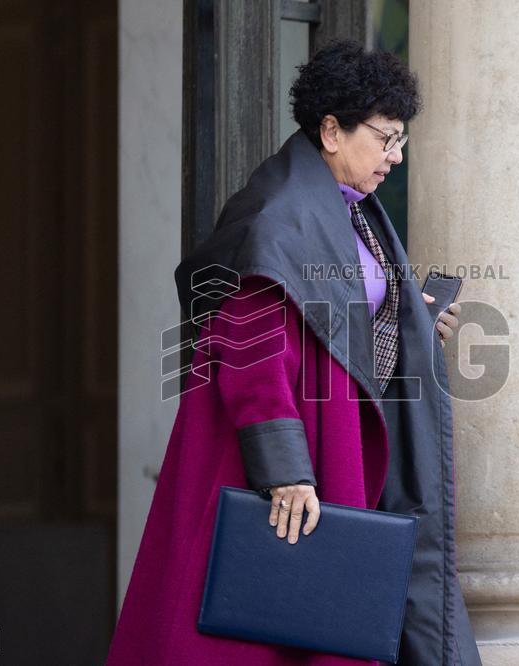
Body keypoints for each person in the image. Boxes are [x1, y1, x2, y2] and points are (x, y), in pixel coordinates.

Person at [107, 39, 480, 665]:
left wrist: (414, 315)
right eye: (384, 139)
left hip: (328, 440)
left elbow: (336, 315)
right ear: (331, 131)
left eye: (400, 142)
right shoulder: (282, 214)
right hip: (283, 456)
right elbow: (248, 346)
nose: (394, 157)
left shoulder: (347, 209)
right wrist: (284, 470)